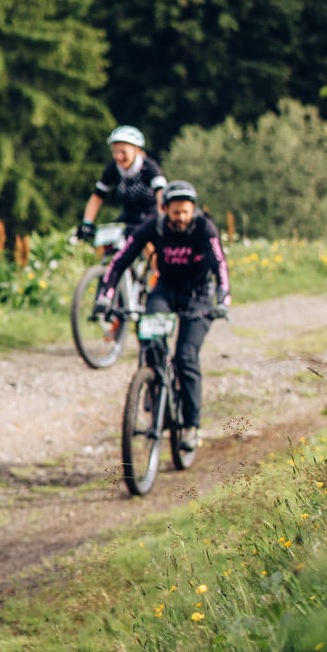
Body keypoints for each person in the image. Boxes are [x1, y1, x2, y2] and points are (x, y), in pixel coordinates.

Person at [100, 181, 230, 451]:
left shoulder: (204, 228)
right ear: (165, 210)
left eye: (185, 212)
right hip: (165, 291)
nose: (180, 218)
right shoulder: (154, 226)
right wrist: (105, 295)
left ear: (193, 210)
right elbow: (121, 260)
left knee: (185, 356)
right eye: (175, 213)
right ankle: (154, 385)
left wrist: (223, 299)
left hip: (198, 296)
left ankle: (191, 426)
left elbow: (220, 264)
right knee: (151, 343)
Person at [78, 125, 166, 248]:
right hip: (128, 216)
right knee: (103, 241)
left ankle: (155, 267)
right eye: (115, 152)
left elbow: (161, 194)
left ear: (137, 150)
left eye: (123, 152)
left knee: (142, 240)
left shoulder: (149, 167)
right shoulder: (113, 168)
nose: (119, 157)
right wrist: (87, 222)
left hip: (151, 214)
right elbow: (97, 196)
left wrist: (163, 217)